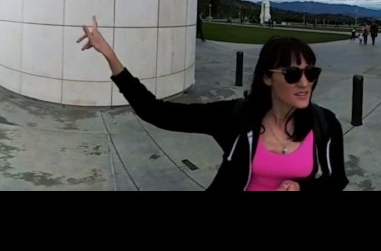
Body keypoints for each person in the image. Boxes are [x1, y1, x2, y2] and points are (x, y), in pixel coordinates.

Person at [77, 16, 349, 192]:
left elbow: (336, 181)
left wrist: (303, 189)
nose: (305, 83)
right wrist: (112, 58)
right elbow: (157, 112)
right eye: (292, 74)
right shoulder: (236, 118)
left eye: (311, 73)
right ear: (267, 78)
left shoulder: (325, 125)